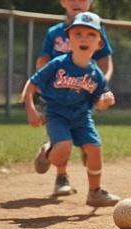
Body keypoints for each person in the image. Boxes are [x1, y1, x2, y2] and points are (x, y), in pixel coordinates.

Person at [22, 12, 121, 206]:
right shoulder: (58, 64)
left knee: (94, 148)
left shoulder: (96, 74)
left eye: (91, 35)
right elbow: (32, 84)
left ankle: (95, 192)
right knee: (63, 148)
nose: (84, 38)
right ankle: (48, 152)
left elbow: (98, 104)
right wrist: (31, 109)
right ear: (69, 40)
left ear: (99, 44)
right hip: (57, 114)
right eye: (78, 33)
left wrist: (105, 101)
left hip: (82, 117)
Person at [32, 0, 114, 176]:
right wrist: (43, 79)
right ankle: (62, 176)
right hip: (57, 91)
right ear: (63, 2)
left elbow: (105, 62)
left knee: (85, 135)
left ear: (90, 3)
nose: (76, 2)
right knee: (63, 136)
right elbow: (43, 60)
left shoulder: (96, 30)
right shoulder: (54, 32)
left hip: (83, 92)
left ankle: (64, 153)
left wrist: (101, 87)